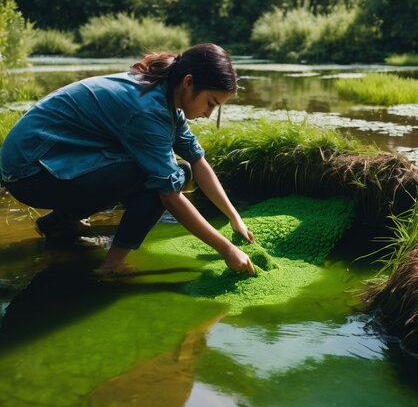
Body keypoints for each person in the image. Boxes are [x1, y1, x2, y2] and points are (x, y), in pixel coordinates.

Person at [0, 43, 255, 275]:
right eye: (210, 103)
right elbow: (169, 196)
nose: (209, 114)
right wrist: (227, 250)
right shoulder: (148, 109)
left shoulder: (166, 93)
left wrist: (234, 217)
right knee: (156, 178)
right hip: (28, 172)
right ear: (189, 82)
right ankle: (111, 266)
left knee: (182, 170)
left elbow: (196, 159)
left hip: (48, 159)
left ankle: (59, 224)